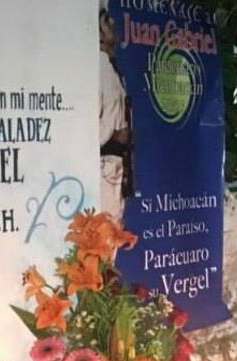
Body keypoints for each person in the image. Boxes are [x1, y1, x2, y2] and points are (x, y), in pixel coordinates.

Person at [99, 8, 131, 220]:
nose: (113, 25)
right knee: (105, 236)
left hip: (116, 163)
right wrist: (115, 134)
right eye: (106, 21)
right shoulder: (100, 67)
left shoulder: (111, 66)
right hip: (106, 163)